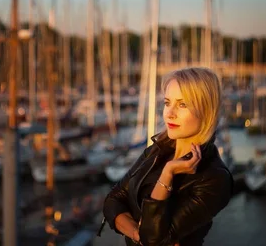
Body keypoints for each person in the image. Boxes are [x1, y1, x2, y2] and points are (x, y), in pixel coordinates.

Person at [100, 67, 233, 246]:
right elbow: (113, 200)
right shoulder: (156, 151)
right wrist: (135, 233)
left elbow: (154, 240)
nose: (169, 113)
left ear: (206, 110)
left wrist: (168, 173)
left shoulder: (215, 178)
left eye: (182, 104)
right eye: (167, 102)